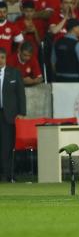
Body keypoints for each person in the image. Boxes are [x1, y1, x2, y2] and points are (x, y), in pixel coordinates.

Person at [0, 47, 26, 182]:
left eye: (2, 57)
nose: (0, 60)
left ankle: (7, 175)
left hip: (8, 115)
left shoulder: (14, 73)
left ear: (5, 58)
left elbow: (21, 94)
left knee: (7, 146)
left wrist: (22, 112)